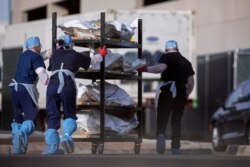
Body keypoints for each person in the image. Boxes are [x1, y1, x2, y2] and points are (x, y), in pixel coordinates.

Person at [42, 34, 107, 154]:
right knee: (69, 113)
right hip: (67, 85)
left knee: (52, 114)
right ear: (71, 45)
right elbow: (92, 61)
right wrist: (101, 54)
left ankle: (52, 147)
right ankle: (66, 136)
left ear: (59, 45)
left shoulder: (55, 54)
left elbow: (51, 67)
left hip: (52, 85)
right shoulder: (75, 55)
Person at [138, 40, 195, 155]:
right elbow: (191, 82)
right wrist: (186, 95)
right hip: (180, 92)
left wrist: (145, 69)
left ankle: (161, 135)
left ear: (166, 49)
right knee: (176, 121)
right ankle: (175, 147)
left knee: (162, 117)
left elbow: (160, 68)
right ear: (177, 48)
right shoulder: (186, 62)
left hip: (167, 90)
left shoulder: (166, 57)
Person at [9, 36, 50, 154]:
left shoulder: (24, 55)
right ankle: (22, 133)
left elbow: (35, 58)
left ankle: (18, 148)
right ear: (37, 47)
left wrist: (48, 53)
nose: (41, 47)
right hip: (25, 90)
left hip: (14, 89)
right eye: (40, 46)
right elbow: (40, 70)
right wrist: (47, 81)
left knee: (17, 119)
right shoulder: (36, 57)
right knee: (31, 117)